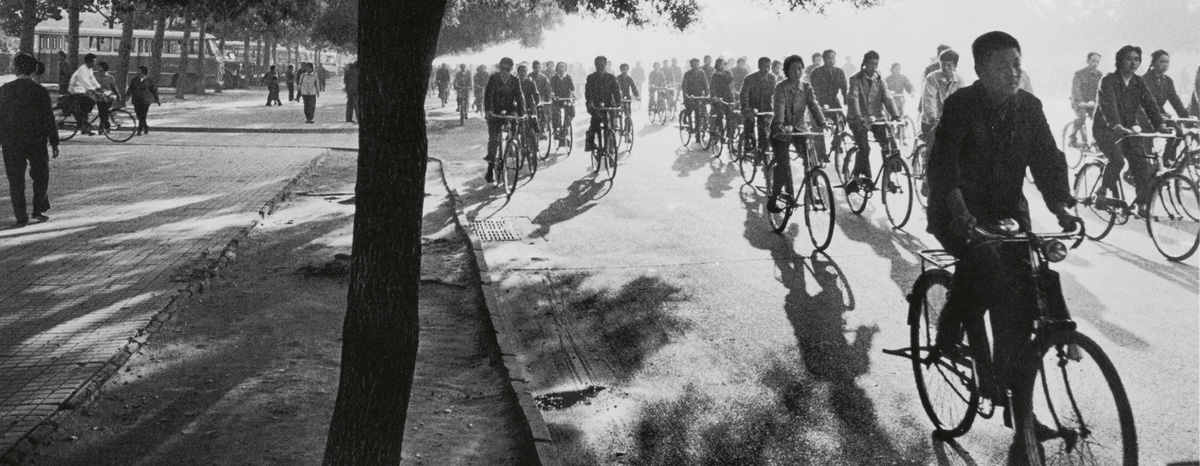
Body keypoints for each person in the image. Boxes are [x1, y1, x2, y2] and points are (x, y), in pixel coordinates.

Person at [925, 34, 1077, 451]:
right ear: (980, 71)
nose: (1013, 72)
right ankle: (949, 329)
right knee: (986, 265)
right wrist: (961, 214)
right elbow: (945, 164)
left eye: (1017, 63)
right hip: (956, 209)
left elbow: (1047, 158)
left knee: (1025, 297)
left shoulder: (1029, 107)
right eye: (1002, 66)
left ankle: (1019, 408)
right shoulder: (961, 105)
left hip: (1008, 214)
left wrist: (1062, 205)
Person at [1093, 45, 1169, 218]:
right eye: (1129, 58)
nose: (1133, 63)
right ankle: (1102, 191)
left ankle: (1142, 205)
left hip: (1129, 129)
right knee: (1117, 160)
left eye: (1136, 59)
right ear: (1120, 60)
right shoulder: (1108, 80)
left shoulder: (1138, 82)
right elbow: (1108, 106)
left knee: (1143, 166)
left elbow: (1150, 105)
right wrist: (1115, 125)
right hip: (1106, 129)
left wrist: (1160, 125)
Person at [1, 53, 60, 228]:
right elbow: (48, 118)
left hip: (11, 142)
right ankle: (38, 209)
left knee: (16, 179)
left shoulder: (4, 89)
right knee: (41, 175)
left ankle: (21, 215)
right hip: (36, 141)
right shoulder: (40, 91)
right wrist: (54, 141)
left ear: (16, 68)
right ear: (34, 70)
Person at [768, 54, 827, 213]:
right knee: (783, 165)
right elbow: (779, 107)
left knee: (812, 158)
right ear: (787, 71)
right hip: (780, 131)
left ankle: (812, 190)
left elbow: (813, 106)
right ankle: (773, 198)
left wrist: (822, 122)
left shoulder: (806, 87)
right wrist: (780, 124)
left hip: (800, 129)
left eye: (800, 68)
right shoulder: (781, 87)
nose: (798, 71)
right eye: (793, 69)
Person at [846, 50, 901, 191]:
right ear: (864, 63)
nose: (873, 66)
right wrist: (858, 117)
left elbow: (887, 97)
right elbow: (853, 97)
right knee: (864, 148)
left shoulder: (880, 79)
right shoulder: (855, 78)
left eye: (876, 64)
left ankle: (888, 178)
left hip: (876, 118)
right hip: (858, 118)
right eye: (871, 63)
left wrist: (895, 115)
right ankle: (858, 177)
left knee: (890, 144)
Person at [1143, 50, 1190, 164]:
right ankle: (1138, 168)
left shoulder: (1168, 81)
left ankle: (1167, 159)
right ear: (1153, 63)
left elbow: (1175, 101)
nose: (1165, 65)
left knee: (1178, 133)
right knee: (1147, 142)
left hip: (1161, 116)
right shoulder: (1143, 80)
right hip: (1145, 116)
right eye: (1162, 62)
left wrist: (1187, 117)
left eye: (1167, 62)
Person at [483, 57, 524, 182]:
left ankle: (511, 146)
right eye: (502, 68)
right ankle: (490, 168)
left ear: (511, 69)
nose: (504, 72)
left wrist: (521, 113)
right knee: (494, 139)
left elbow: (520, 96)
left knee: (515, 126)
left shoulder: (515, 80)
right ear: (499, 67)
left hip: (509, 109)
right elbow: (488, 95)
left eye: (507, 69)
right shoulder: (493, 79)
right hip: (495, 111)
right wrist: (488, 111)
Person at [920, 49, 964, 140]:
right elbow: (929, 100)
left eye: (949, 65)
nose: (945, 67)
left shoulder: (959, 80)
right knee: (934, 148)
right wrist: (933, 119)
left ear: (955, 66)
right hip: (930, 121)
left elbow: (962, 101)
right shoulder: (932, 78)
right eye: (943, 64)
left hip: (949, 121)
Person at [584, 56, 621, 153]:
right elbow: (588, 93)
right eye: (598, 65)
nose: (600, 67)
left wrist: (618, 105)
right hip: (595, 105)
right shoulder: (591, 78)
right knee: (595, 122)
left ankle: (610, 147)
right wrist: (591, 103)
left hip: (609, 105)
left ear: (606, 65)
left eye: (602, 65)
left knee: (611, 125)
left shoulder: (611, 78)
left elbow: (617, 92)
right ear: (595, 66)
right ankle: (590, 142)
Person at [741, 56, 775, 154]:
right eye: (764, 67)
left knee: (765, 129)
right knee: (749, 120)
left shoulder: (772, 78)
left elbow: (775, 94)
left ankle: (763, 150)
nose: (767, 69)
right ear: (759, 66)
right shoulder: (750, 78)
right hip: (751, 106)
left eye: (769, 67)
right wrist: (746, 107)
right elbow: (744, 94)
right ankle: (747, 140)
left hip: (766, 107)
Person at [1068, 52, 1103, 148]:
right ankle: (1072, 138)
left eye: (1097, 62)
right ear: (1087, 61)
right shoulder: (1079, 74)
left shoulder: (1100, 75)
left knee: (1101, 119)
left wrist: (1099, 101)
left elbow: (1101, 90)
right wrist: (1080, 101)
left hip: (1092, 103)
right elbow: (1076, 89)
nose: (1095, 64)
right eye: (1093, 61)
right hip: (1079, 102)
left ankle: (1097, 140)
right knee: (1082, 117)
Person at [65, 53, 101, 135]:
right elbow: (86, 82)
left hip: (81, 91)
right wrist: (94, 91)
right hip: (75, 91)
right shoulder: (83, 70)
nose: (95, 63)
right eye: (93, 61)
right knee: (90, 101)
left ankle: (84, 124)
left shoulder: (89, 69)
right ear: (89, 62)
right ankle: (81, 121)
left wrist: (99, 87)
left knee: (87, 106)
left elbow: (93, 80)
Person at [126, 66, 159, 135]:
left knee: (143, 115)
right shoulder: (134, 80)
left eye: (139, 71)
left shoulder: (149, 81)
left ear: (143, 72)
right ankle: (146, 127)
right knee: (139, 115)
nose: (137, 72)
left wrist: (157, 100)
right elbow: (130, 89)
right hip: (136, 100)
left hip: (145, 101)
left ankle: (139, 130)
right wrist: (127, 96)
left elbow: (153, 91)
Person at [681, 58, 710, 134]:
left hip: (699, 95)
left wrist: (707, 94)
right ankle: (686, 120)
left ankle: (699, 128)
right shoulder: (687, 74)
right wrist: (686, 95)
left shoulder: (702, 73)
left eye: (697, 64)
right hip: (690, 96)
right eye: (694, 64)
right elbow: (684, 86)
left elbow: (705, 84)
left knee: (700, 111)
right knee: (690, 109)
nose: (696, 66)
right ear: (691, 65)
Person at [709, 58, 735, 140]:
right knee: (719, 113)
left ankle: (729, 135)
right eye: (721, 64)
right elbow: (712, 88)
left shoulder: (727, 73)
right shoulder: (714, 76)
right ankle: (715, 130)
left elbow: (730, 80)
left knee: (730, 116)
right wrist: (714, 97)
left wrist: (725, 72)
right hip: (718, 98)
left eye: (724, 64)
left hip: (728, 97)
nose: (722, 66)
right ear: (717, 65)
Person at [549, 62, 575, 147]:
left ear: (565, 68)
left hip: (566, 99)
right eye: (559, 67)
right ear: (557, 68)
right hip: (557, 99)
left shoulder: (568, 77)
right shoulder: (554, 78)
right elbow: (551, 88)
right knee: (555, 112)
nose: (561, 69)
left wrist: (573, 95)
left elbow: (572, 88)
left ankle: (565, 128)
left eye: (563, 67)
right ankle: (556, 129)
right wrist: (553, 95)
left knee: (571, 112)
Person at [92, 61, 121, 131]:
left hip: (108, 98)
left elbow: (114, 87)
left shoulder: (110, 77)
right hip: (99, 97)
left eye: (99, 66)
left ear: (103, 67)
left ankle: (101, 128)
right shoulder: (96, 77)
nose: (98, 68)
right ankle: (107, 126)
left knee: (103, 113)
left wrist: (118, 95)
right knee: (103, 113)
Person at [617, 63, 639, 130]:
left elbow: (633, 87)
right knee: (616, 113)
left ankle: (628, 130)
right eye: (623, 69)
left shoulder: (629, 79)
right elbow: (613, 88)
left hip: (627, 98)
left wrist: (636, 95)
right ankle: (615, 126)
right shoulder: (617, 78)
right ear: (620, 70)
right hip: (618, 98)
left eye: (626, 69)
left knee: (628, 115)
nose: (625, 71)